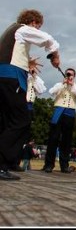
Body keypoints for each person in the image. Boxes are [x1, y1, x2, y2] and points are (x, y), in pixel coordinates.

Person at [0, 9, 61, 181]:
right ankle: (2, 163)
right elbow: (48, 40)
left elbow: (11, 55)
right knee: (21, 120)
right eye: (38, 25)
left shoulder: (11, 32)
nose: (37, 29)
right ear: (33, 22)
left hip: (4, 77)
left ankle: (10, 161)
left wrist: (27, 62)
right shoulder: (22, 29)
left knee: (7, 121)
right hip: (11, 77)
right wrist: (55, 56)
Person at [42, 68, 76, 174]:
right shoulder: (59, 84)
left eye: (71, 74)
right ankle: (49, 165)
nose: (69, 76)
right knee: (53, 139)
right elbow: (51, 92)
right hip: (59, 111)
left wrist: (72, 85)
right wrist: (63, 83)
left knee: (66, 140)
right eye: (67, 74)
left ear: (74, 76)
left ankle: (64, 165)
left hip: (70, 114)